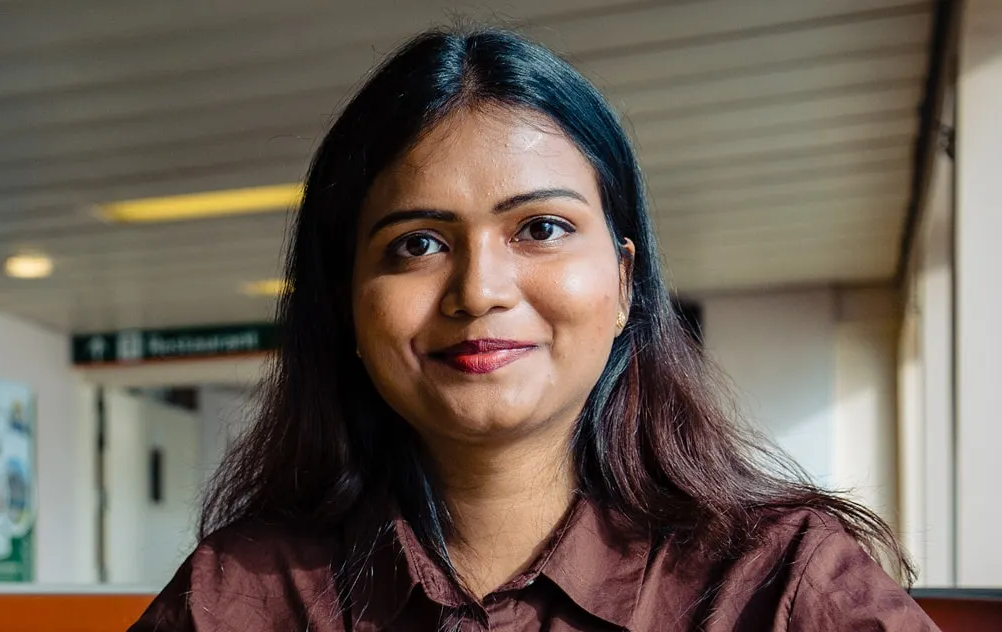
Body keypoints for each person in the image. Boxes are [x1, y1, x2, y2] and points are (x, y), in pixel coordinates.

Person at [131, 28, 936, 631]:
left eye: (541, 229)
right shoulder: (236, 597)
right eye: (417, 244)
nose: (479, 291)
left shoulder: (780, 584)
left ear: (623, 282)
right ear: (346, 302)